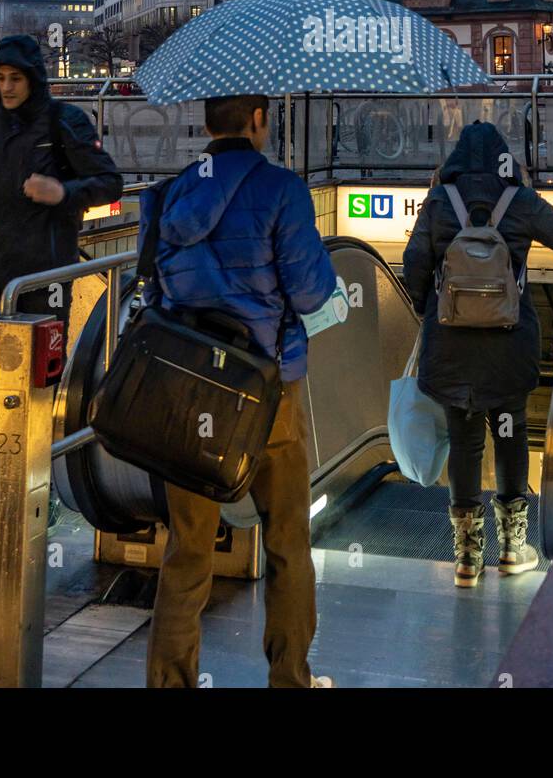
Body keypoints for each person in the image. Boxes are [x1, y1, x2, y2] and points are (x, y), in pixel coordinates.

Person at [141, 93, 338, 690]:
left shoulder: (170, 192)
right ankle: (289, 677)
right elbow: (310, 294)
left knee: (188, 548)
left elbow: (150, 292)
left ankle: (170, 681)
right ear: (257, 122)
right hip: (266, 389)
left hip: (187, 390)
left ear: (206, 124)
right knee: (286, 542)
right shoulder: (282, 190)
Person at [402, 121, 553, 588]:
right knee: (509, 435)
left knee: (465, 441)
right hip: (508, 347)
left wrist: (428, 309)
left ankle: (467, 556)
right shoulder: (520, 201)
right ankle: (513, 548)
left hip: (450, 349)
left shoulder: (437, 202)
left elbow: (414, 265)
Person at [0, 33, 123, 544]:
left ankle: (34, 498)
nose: (7, 87)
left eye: (16, 78)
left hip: (42, 278)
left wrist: (62, 192)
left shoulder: (66, 122)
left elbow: (109, 183)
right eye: (0, 78)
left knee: (34, 391)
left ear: (33, 78)